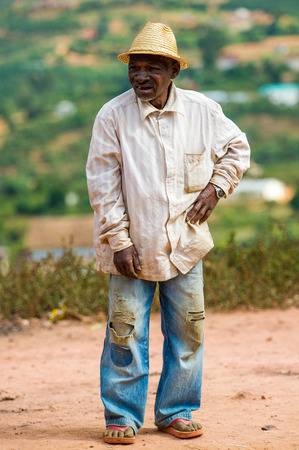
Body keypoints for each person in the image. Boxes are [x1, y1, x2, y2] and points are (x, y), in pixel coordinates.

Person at [86, 22, 250, 445]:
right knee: (125, 332)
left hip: (185, 246)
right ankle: (122, 415)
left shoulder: (203, 111)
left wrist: (217, 188)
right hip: (131, 248)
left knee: (189, 332)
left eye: (152, 68)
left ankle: (177, 411)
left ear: (173, 71)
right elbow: (103, 185)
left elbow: (238, 148)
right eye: (135, 68)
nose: (142, 76)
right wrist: (119, 240)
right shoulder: (112, 116)